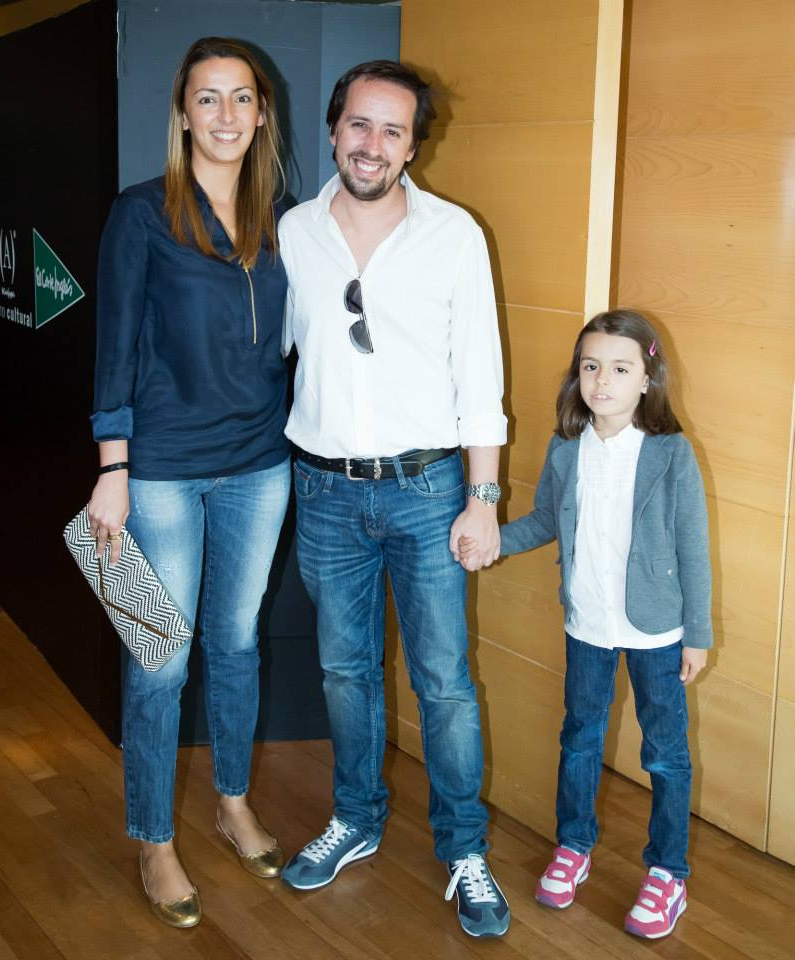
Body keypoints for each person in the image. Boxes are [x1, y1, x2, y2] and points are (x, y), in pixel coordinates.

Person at [277, 60, 510, 939]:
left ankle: (464, 848)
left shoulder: (454, 235)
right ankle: (357, 819)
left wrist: (481, 498)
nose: (371, 144)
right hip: (323, 490)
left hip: (427, 489)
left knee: (443, 683)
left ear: (413, 146)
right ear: (334, 129)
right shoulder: (294, 232)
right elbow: (275, 353)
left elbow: (480, 376)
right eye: (359, 124)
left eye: (392, 130)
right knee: (345, 673)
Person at [87, 37, 291, 928]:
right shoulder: (140, 213)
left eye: (240, 97)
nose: (225, 115)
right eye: (206, 98)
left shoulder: (286, 219)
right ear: (182, 114)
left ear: (261, 113)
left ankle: (232, 802)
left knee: (237, 645)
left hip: (260, 465)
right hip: (161, 472)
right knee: (158, 660)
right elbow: (114, 348)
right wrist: (113, 468)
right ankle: (154, 838)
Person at [462, 309, 711, 940]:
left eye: (620, 369)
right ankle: (573, 845)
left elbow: (693, 548)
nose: (602, 381)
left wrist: (698, 634)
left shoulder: (671, 453)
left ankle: (668, 872)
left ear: (648, 380)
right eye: (591, 366)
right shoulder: (567, 448)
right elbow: (547, 520)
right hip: (588, 626)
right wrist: (494, 540)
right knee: (579, 739)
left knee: (666, 755)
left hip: (657, 633)